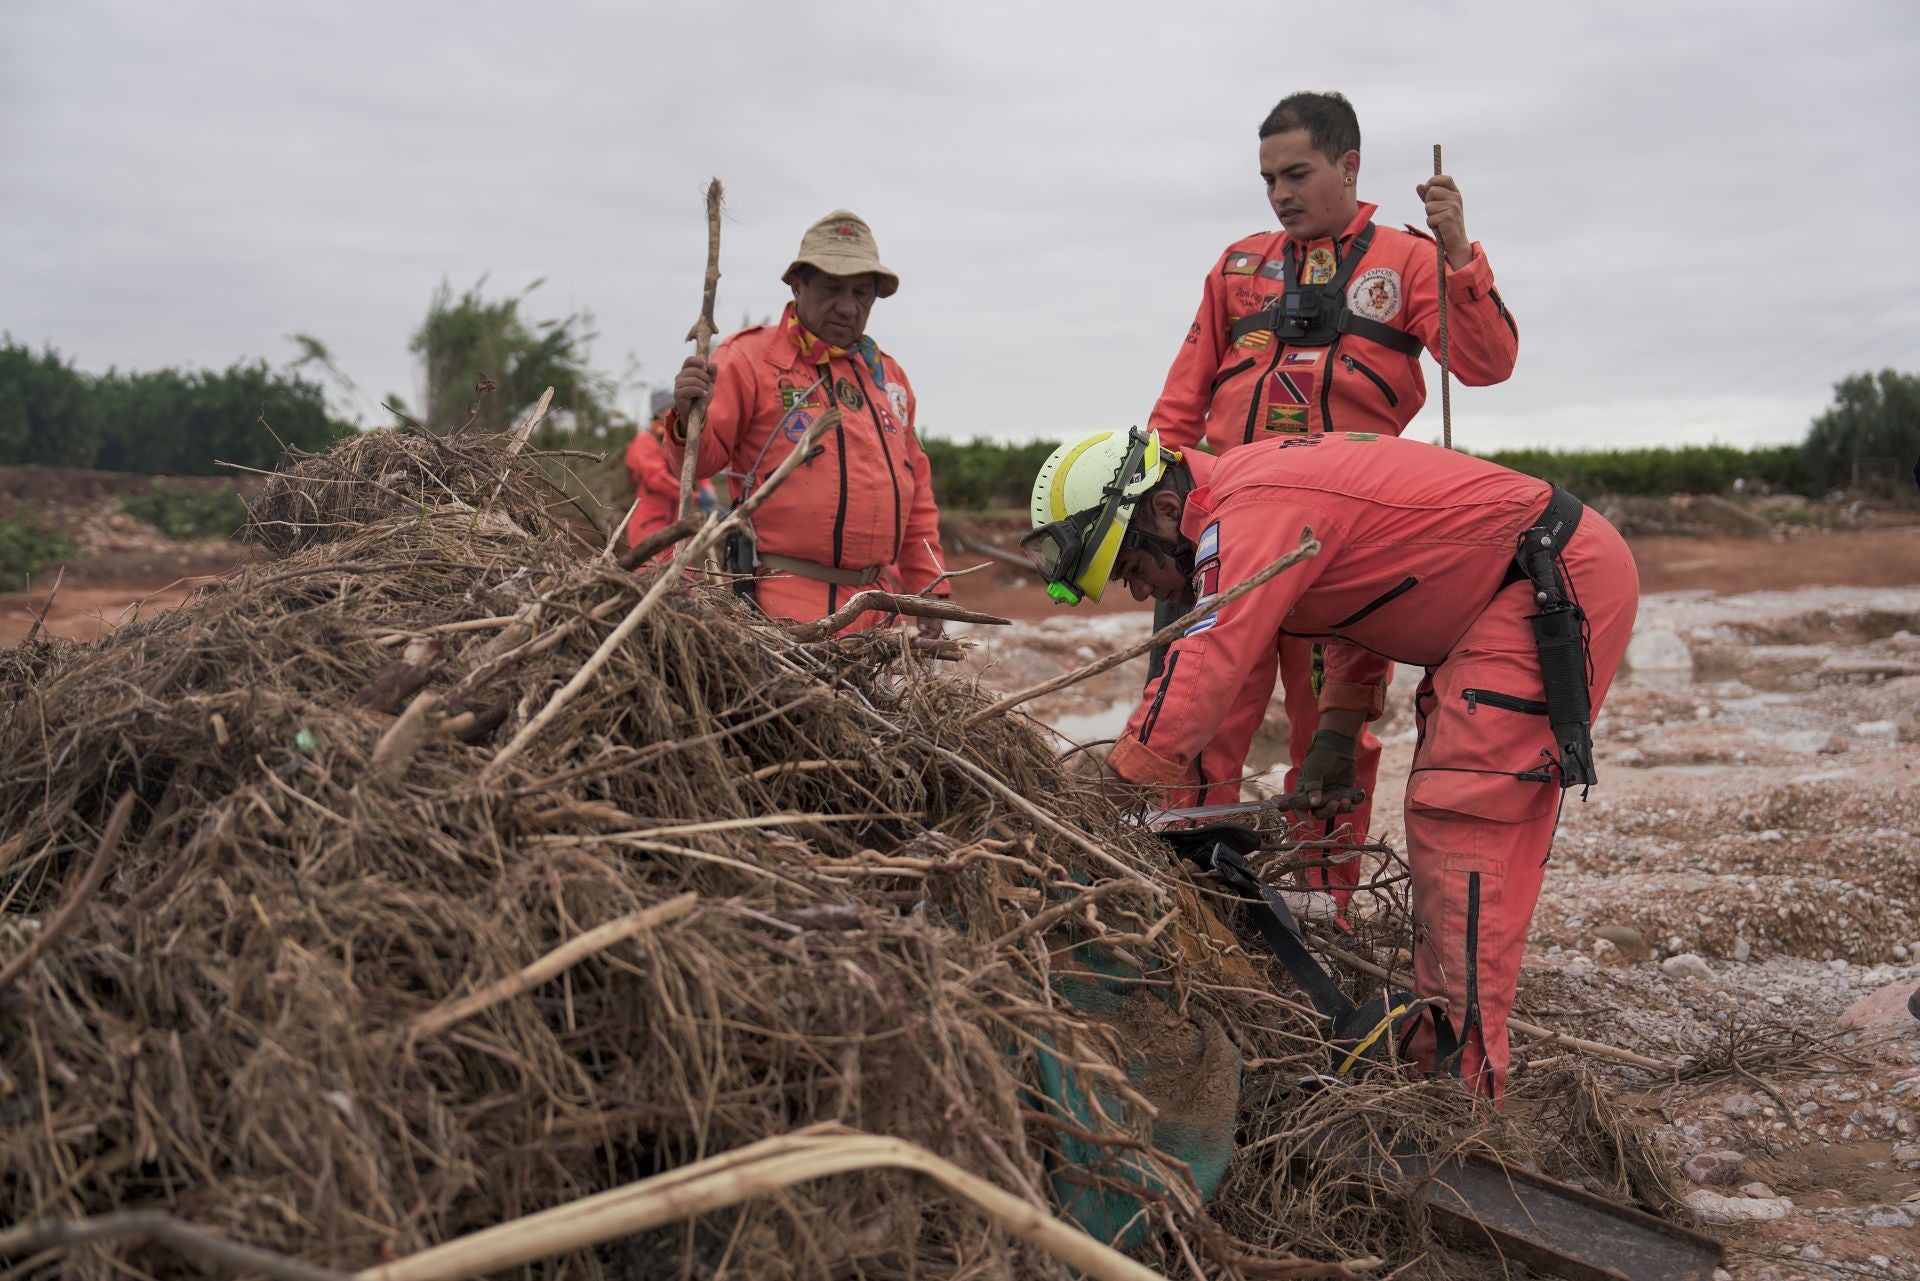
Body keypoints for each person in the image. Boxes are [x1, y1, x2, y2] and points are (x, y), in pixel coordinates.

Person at [1022, 427, 1638, 1101]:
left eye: (1134, 569)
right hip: (1515, 586)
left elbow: (1208, 657)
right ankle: (1440, 1054)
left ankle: (1459, 1093)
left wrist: (1100, 798)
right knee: (1449, 807)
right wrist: (1336, 733)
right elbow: (1356, 598)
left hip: (1544, 584)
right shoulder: (1254, 493)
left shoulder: (1252, 507)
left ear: (1164, 511)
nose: (1142, 593)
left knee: (1463, 812)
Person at [1143, 90, 1523, 902]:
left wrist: (1460, 253)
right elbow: (1178, 410)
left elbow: (1488, 363)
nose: (1279, 194)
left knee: (1332, 745)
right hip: (1228, 539)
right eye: (1267, 178)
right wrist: (1160, 517)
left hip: (1346, 554)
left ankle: (1322, 916)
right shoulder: (1238, 267)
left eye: (1296, 173)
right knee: (1202, 724)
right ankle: (1193, 905)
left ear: (1349, 166)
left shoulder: (1408, 261)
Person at [663, 210, 949, 635]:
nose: (848, 307)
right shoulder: (749, 359)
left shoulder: (888, 378)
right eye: (832, 288)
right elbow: (698, 463)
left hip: (880, 613)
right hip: (782, 606)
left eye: (862, 292)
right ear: (798, 283)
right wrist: (688, 417)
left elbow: (916, 497)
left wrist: (930, 590)